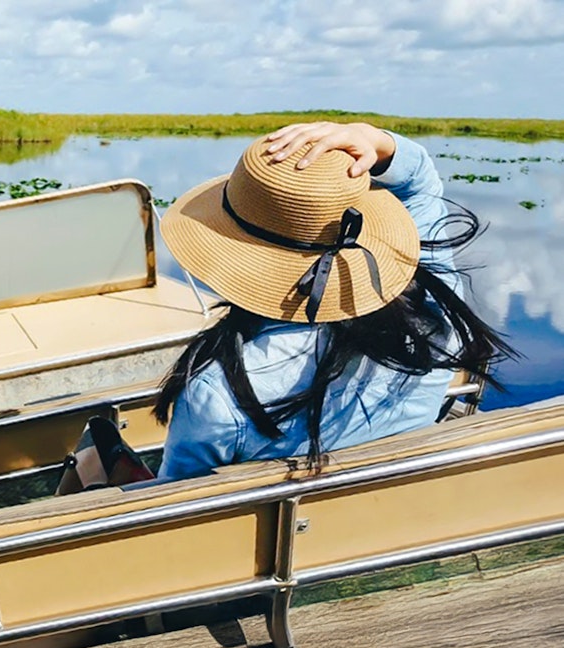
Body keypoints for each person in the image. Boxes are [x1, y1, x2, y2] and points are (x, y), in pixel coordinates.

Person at [154, 121, 515, 481]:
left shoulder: (218, 391)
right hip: (394, 517)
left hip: (278, 533)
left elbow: (175, 501)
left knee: (99, 453)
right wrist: (373, 138)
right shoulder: (436, 321)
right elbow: (420, 182)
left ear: (233, 252)